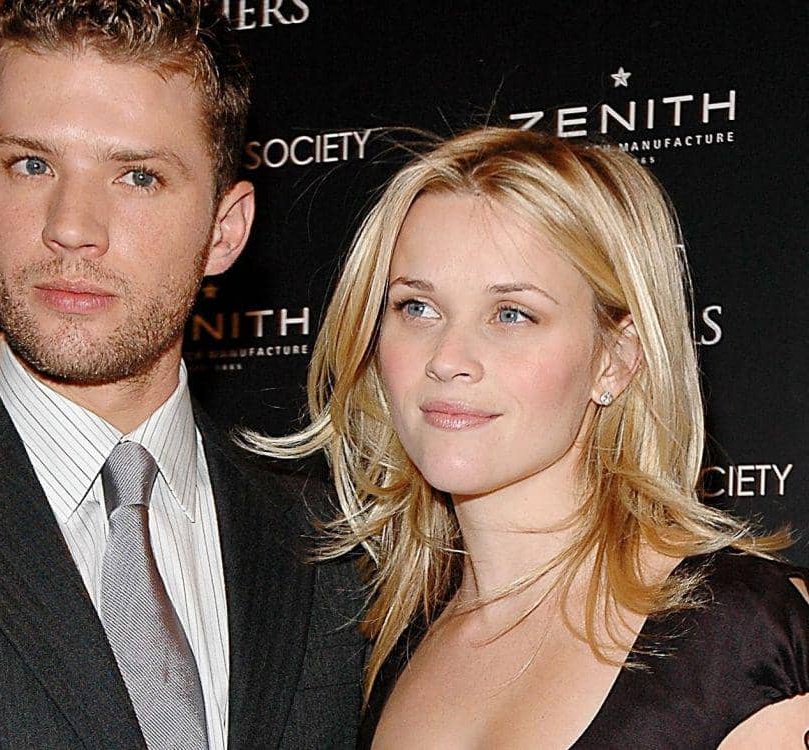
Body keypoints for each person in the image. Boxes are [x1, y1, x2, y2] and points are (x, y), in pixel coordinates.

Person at [0, 1, 363, 748]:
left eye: (137, 176)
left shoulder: (330, 548)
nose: (71, 227)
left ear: (224, 229)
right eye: (31, 165)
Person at [249, 126, 808, 748]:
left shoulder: (743, 637)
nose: (447, 359)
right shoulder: (374, 646)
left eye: (512, 314)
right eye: (416, 307)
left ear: (616, 359)